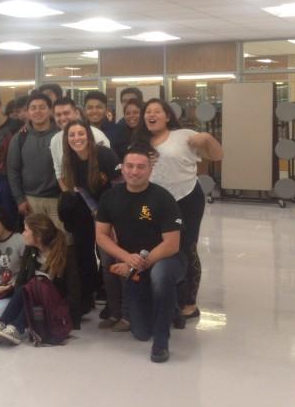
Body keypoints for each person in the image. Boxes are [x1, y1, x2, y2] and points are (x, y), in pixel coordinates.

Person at [95, 147, 186, 363]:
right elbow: (101, 236)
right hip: (134, 262)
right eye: (130, 166)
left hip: (166, 259)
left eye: (141, 167)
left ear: (150, 170)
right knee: (141, 332)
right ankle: (171, 307)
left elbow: (171, 245)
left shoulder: (162, 198)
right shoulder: (110, 197)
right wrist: (126, 258)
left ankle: (161, 342)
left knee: (160, 277)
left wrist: (137, 265)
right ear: (123, 169)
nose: (135, 171)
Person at [134, 98, 222, 320]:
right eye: (147, 112)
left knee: (186, 248)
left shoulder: (183, 135)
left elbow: (217, 155)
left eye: (157, 111)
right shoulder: (139, 141)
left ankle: (189, 302)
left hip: (186, 199)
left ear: (167, 116)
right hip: (153, 202)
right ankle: (164, 295)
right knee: (156, 247)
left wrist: (208, 138)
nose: (151, 115)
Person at [59, 120, 120, 320]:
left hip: (115, 213)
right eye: (72, 135)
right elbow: (81, 190)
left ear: (89, 135)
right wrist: (95, 211)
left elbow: (119, 186)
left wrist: (109, 217)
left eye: (81, 134)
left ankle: (117, 305)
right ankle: (94, 299)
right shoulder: (70, 160)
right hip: (94, 213)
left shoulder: (104, 155)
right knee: (92, 256)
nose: (77, 139)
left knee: (109, 258)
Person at [0, 213, 69, 346]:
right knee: (26, 287)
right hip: (33, 300)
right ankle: (2, 324)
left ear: (38, 235)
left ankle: (16, 328)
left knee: (35, 286)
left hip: (54, 304)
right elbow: (21, 280)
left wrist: (72, 320)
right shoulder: (30, 250)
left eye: (26, 230)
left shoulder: (65, 252)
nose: (23, 233)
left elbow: (73, 287)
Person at [7, 92, 60, 223]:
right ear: (28, 112)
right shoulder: (19, 137)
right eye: (33, 108)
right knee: (36, 242)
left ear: (50, 110)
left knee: (61, 241)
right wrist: (20, 200)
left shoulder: (61, 134)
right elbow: (13, 170)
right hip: (30, 200)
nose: (38, 111)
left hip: (58, 199)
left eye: (42, 107)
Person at [51, 97, 111, 189]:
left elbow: (108, 169)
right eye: (58, 115)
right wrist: (67, 193)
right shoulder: (55, 140)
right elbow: (59, 171)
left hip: (99, 194)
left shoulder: (97, 135)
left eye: (66, 113)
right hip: (73, 195)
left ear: (76, 113)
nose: (62, 118)